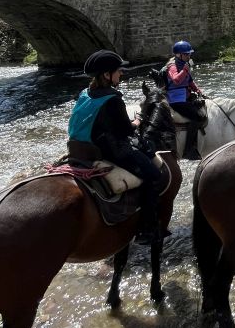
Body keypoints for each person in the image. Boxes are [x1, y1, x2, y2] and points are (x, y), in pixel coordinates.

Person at [67, 49, 162, 244]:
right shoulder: (113, 99)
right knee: (154, 176)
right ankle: (147, 229)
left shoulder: (85, 93)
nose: (122, 74)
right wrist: (137, 121)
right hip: (112, 150)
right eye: (118, 71)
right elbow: (127, 131)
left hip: (80, 148)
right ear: (106, 74)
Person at [165, 40, 206, 159]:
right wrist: (185, 70)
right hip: (176, 100)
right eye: (186, 54)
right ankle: (188, 150)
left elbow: (189, 81)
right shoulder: (172, 66)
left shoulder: (184, 64)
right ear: (178, 54)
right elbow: (176, 80)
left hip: (184, 97)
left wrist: (198, 90)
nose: (189, 56)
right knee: (198, 117)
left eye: (189, 54)